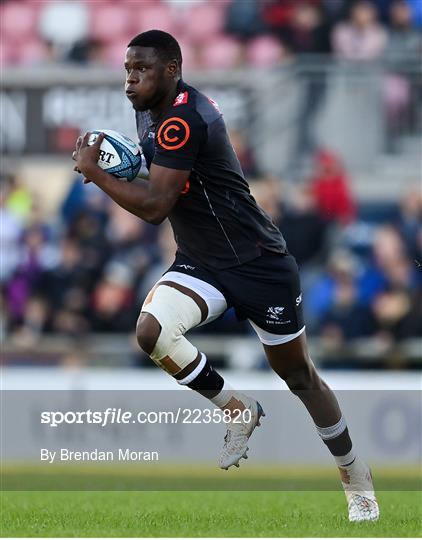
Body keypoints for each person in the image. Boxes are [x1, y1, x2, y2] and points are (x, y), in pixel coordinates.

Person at [72, 29, 379, 522]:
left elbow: (154, 208)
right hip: (202, 262)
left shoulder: (183, 119)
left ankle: (355, 475)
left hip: (258, 262)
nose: (130, 79)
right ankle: (236, 407)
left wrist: (98, 171)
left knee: (298, 375)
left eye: (141, 70)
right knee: (150, 330)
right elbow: (168, 180)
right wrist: (128, 167)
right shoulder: (152, 106)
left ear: (171, 70)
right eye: (127, 69)